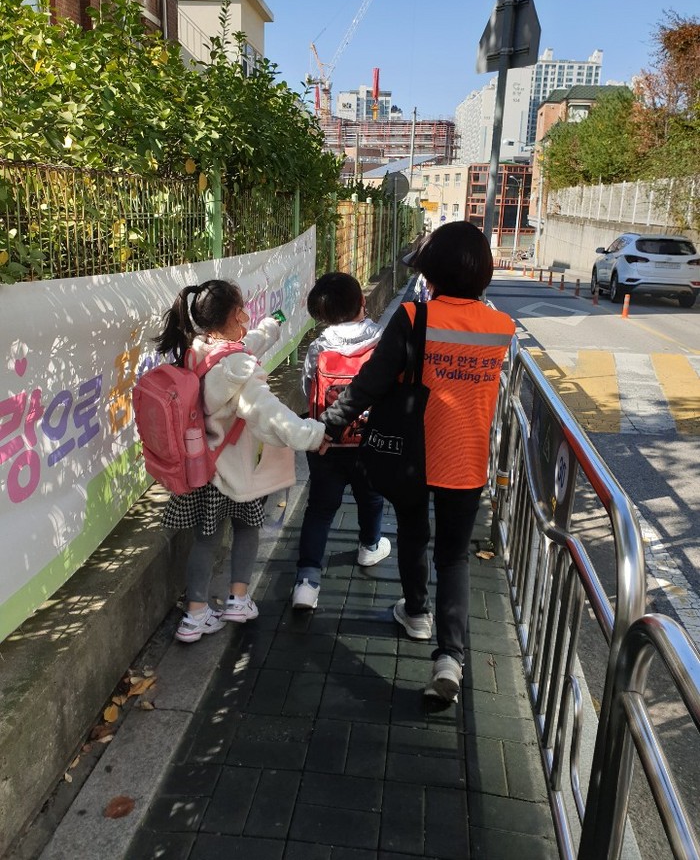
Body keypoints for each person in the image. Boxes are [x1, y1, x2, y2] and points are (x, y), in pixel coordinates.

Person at [320, 222, 515, 701]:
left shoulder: (413, 316)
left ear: (433, 273)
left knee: (413, 532)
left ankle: (416, 613)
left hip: (413, 452)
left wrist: (329, 426)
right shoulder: (502, 327)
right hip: (466, 457)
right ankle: (450, 658)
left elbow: (371, 383)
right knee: (454, 556)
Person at [154, 279, 326, 643]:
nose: (247, 317)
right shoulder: (238, 369)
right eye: (243, 311)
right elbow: (268, 412)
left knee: (205, 540)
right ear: (234, 315)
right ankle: (238, 600)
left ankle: (195, 615)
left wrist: (272, 325)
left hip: (202, 469)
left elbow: (244, 348)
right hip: (237, 471)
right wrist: (312, 434)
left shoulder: (195, 350)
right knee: (247, 529)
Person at [293, 273, 391, 610]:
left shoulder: (319, 347)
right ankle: (369, 547)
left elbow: (308, 388)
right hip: (370, 443)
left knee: (320, 509)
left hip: (325, 443)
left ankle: (306, 582)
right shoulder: (382, 340)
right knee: (371, 498)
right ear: (362, 301)